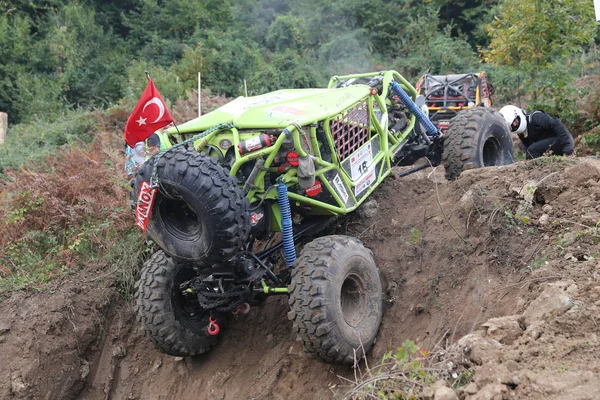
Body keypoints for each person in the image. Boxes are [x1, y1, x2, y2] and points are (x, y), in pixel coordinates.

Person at [499, 105, 574, 159]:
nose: (515, 124)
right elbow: (529, 146)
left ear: (518, 115)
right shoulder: (522, 134)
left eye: (515, 121)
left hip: (562, 140)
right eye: (512, 125)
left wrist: (567, 147)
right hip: (551, 146)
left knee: (532, 150)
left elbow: (557, 123)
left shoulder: (535, 117)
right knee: (530, 150)